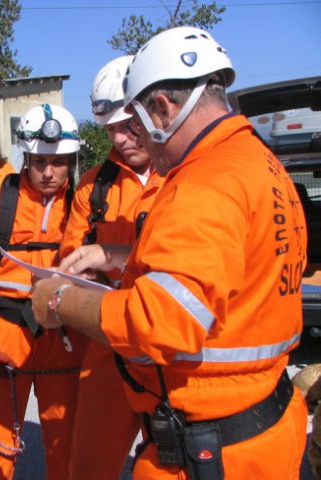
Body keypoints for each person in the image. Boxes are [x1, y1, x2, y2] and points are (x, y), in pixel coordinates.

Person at [31, 26, 308, 479]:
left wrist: (59, 300)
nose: (130, 140)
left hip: (213, 448)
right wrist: (119, 256)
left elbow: (160, 321)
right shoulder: (260, 163)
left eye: (137, 125)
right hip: (264, 426)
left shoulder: (203, 182)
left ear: (162, 108)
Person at [0, 104, 87, 480]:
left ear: (72, 160)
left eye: (58, 161)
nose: (47, 171)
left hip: (66, 343)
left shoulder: (84, 209)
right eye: (39, 160)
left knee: (68, 448)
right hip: (4, 341)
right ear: (25, 156)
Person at [61, 55, 164, 479]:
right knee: (89, 466)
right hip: (110, 345)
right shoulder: (94, 186)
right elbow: (70, 256)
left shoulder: (185, 176)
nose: (120, 139)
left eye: (129, 126)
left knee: (172, 460)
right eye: (110, 131)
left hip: (171, 348)